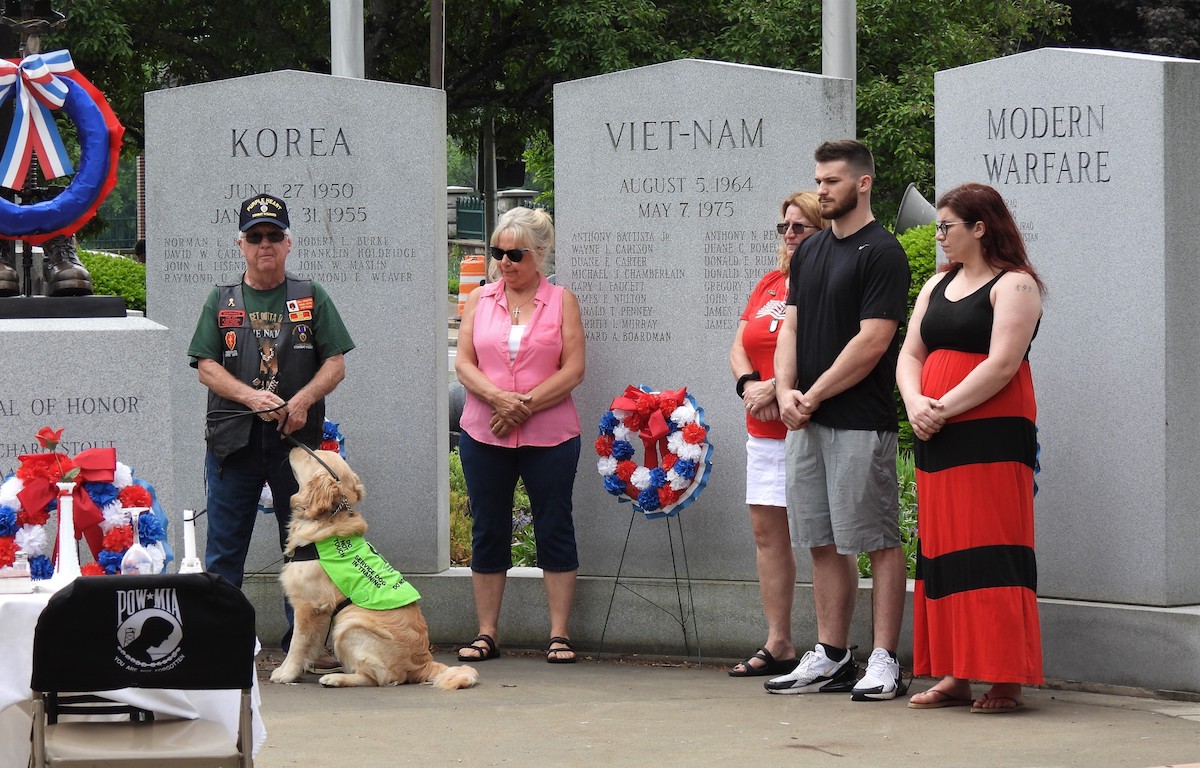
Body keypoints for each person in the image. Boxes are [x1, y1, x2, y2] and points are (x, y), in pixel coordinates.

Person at [767, 139, 911, 700]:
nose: (822, 189)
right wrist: (785, 391)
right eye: (819, 179)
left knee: (875, 539)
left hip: (857, 421)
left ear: (863, 183)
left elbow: (873, 341)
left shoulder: (882, 252)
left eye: (831, 181)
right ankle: (831, 654)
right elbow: (792, 330)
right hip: (805, 419)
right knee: (820, 540)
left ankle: (883, 659)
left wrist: (813, 394)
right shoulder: (810, 252)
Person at [187, 193, 354, 664]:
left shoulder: (311, 295)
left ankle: (303, 646)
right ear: (240, 244)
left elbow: (335, 364)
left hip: (295, 445)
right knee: (224, 549)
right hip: (233, 441)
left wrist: (302, 400)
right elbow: (205, 366)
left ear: (289, 243)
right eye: (255, 236)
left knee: (304, 548)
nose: (265, 244)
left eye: (274, 236)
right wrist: (251, 396)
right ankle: (223, 645)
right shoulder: (221, 300)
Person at [898, 182, 1044, 713]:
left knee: (992, 544)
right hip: (938, 428)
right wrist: (916, 402)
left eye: (946, 227)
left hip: (990, 429)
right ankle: (955, 673)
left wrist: (942, 407)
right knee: (944, 545)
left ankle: (1004, 676)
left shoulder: (1017, 285)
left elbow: (1003, 363)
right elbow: (910, 353)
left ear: (979, 227)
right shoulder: (936, 285)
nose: (938, 235)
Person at [454, 206, 585, 664]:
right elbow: (464, 363)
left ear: (540, 254)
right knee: (489, 527)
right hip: (484, 432)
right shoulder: (479, 299)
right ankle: (486, 632)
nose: (505, 263)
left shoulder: (562, 300)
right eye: (498, 253)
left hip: (549, 434)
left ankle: (559, 634)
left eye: (516, 255)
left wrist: (521, 405)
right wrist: (498, 399)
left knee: (554, 524)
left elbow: (573, 370)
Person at [727, 191, 828, 677]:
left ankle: (833, 648)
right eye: (784, 227)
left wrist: (778, 387)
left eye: (800, 227)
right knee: (768, 537)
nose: (789, 235)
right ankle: (779, 642)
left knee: (823, 539)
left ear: (823, 230)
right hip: (761, 430)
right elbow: (739, 343)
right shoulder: (769, 283)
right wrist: (750, 384)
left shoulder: (829, 280)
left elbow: (831, 349)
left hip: (808, 424)